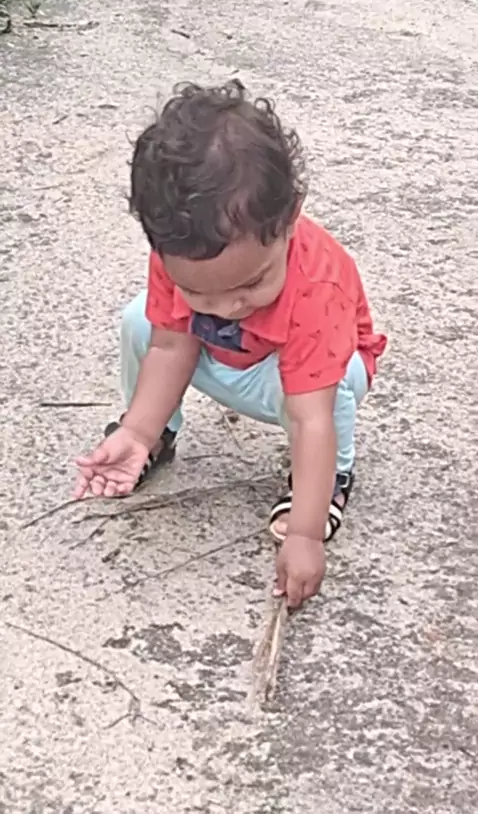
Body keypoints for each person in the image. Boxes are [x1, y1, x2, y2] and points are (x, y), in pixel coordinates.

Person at [74, 80, 387, 609]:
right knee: (139, 322)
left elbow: (310, 418)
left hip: (302, 378)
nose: (227, 306)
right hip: (228, 356)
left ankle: (330, 477)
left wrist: (305, 534)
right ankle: (154, 437)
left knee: (331, 394)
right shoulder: (181, 251)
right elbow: (170, 347)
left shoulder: (317, 285)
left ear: (289, 219)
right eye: (199, 292)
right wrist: (137, 429)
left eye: (252, 284)